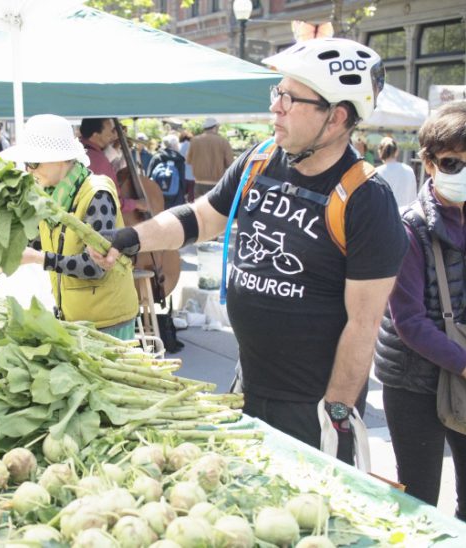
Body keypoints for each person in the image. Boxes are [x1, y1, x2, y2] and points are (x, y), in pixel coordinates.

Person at [92, 38, 408, 465]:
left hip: (311, 406)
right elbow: (201, 218)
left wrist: (335, 413)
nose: (275, 107)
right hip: (249, 385)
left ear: (334, 118)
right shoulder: (260, 159)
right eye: (277, 92)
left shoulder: (366, 198)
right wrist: (131, 239)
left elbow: (364, 323)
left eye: (290, 98)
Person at [374, 102, 466, 525]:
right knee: (417, 499)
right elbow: (409, 320)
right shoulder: (407, 226)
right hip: (414, 379)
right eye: (452, 162)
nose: (464, 172)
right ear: (429, 163)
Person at [10, 114, 139, 340]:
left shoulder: (96, 194)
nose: (29, 170)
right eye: (26, 163)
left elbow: (97, 266)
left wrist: (39, 259)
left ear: (60, 159)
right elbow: (37, 241)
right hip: (75, 319)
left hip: (107, 323)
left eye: (33, 163)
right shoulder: (51, 195)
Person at [80, 118, 146, 214]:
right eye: (111, 131)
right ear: (95, 134)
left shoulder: (78, 149)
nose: (113, 135)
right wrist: (137, 204)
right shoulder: (99, 160)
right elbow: (112, 201)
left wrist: (116, 145)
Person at [186, 117, 234, 199]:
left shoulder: (194, 141)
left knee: (199, 210)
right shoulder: (223, 141)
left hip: (199, 183)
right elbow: (230, 163)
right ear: (215, 128)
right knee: (214, 210)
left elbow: (188, 161)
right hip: (216, 184)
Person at [375, 136, 417, 209]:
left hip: (384, 217)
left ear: (380, 152)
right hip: (406, 216)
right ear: (396, 151)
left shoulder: (376, 173)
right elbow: (413, 199)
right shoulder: (409, 170)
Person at [147, 133, 187, 209]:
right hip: (176, 200)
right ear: (175, 145)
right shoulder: (180, 160)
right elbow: (183, 182)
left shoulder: (157, 157)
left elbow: (149, 177)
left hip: (157, 198)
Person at [178, 130, 196, 203]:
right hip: (192, 175)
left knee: (181, 194)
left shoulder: (179, 146)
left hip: (181, 174)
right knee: (191, 196)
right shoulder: (193, 146)